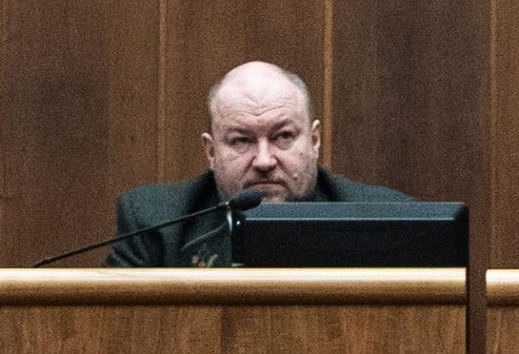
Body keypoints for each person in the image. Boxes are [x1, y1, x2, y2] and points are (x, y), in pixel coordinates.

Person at [110, 62, 416, 267]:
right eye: (241, 141)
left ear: (314, 140)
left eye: (283, 136)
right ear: (211, 151)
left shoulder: (387, 221)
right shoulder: (154, 222)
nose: (265, 161)